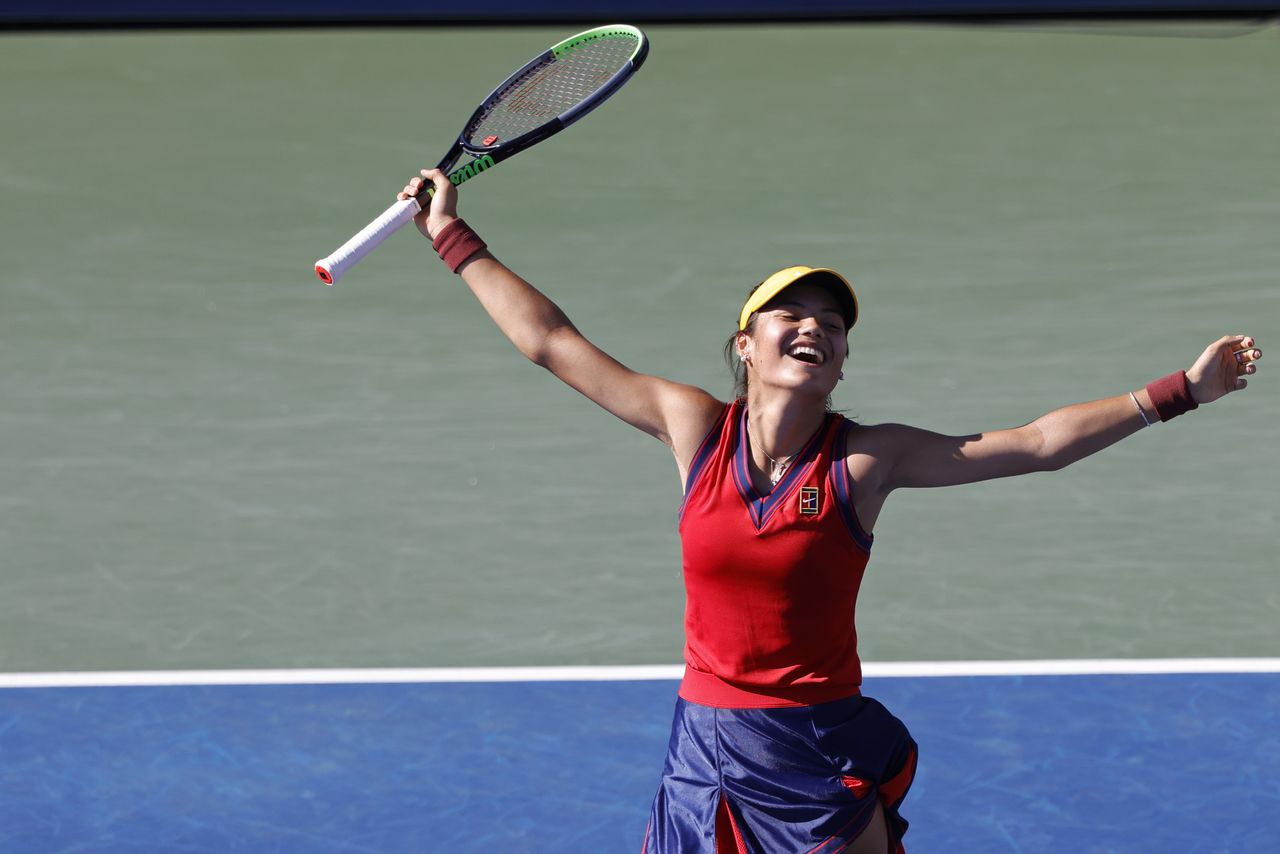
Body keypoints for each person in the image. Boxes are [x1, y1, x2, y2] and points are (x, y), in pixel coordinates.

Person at [398, 168, 1262, 854]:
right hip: (705, 746)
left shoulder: (865, 459)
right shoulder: (694, 426)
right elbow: (552, 342)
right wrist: (450, 234)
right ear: (746, 344)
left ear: (843, 361)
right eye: (791, 314)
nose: (814, 327)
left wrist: (1181, 390)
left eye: (833, 324)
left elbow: (1036, 443)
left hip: (815, 745)